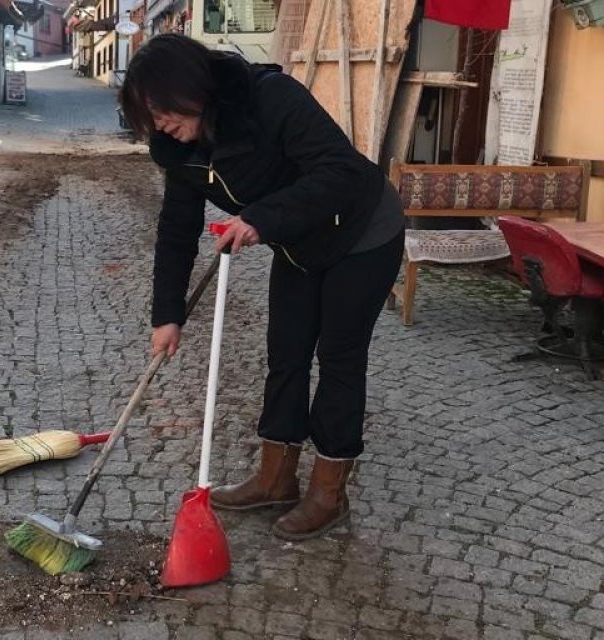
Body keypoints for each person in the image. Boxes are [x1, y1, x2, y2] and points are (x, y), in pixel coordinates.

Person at [119, 34, 406, 541]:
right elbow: (177, 230)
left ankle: (329, 492)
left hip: (363, 231)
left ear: (191, 88)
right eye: (149, 117)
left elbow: (340, 170)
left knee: (338, 358)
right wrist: (167, 315)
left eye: (161, 111)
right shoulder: (181, 149)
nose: (159, 125)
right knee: (286, 354)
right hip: (299, 242)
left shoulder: (271, 98)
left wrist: (261, 218)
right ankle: (276, 479)